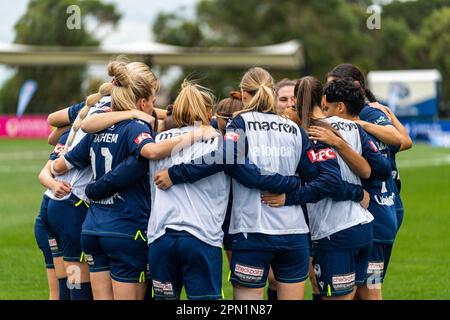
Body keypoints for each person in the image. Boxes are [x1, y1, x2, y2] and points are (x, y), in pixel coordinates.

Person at [152, 67, 366, 300]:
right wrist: (292, 186)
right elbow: (318, 178)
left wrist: (176, 173)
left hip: (251, 232)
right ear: (272, 93)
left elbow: (229, 160)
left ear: (244, 94)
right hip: (293, 234)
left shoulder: (240, 123)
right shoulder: (295, 128)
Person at [50, 60, 217, 300]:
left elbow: (60, 161)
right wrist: (196, 133)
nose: (154, 105)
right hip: (126, 228)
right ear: (142, 102)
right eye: (153, 99)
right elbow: (150, 153)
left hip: (93, 227)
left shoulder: (100, 125)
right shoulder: (136, 127)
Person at [264, 77, 390, 300]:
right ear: (322, 99)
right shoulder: (350, 127)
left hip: (334, 231)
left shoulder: (308, 132)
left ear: (296, 101)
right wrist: (358, 190)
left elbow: (329, 182)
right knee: (366, 294)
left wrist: (289, 198)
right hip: (363, 226)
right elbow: (379, 168)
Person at [325, 64, 408, 299]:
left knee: (366, 290)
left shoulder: (367, 113)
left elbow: (400, 139)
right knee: (364, 288)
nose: (328, 91)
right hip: (381, 213)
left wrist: (360, 125)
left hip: (375, 213)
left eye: (333, 85)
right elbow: (405, 142)